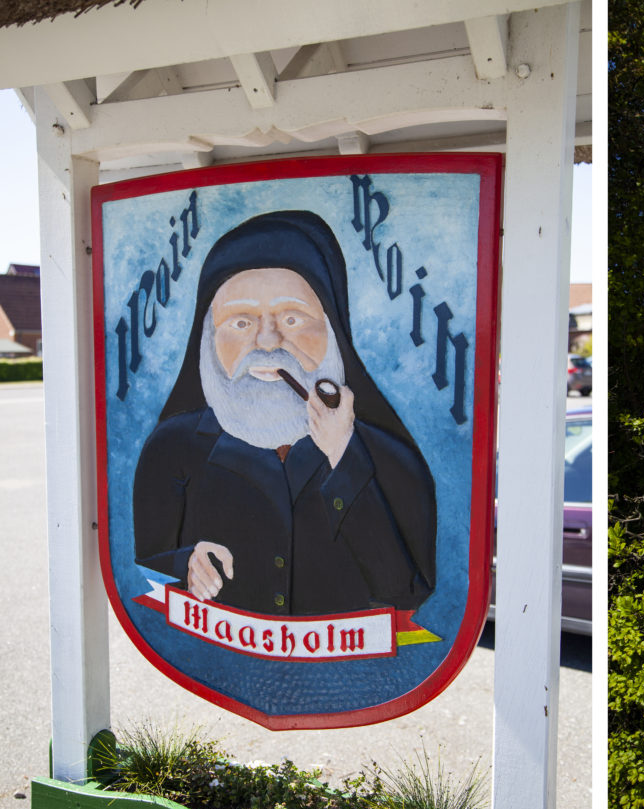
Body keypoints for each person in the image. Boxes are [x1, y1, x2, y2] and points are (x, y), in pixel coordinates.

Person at [133, 211, 436, 617]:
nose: (267, 341)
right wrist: (183, 562)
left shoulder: (389, 457)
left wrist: (343, 456)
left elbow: (406, 595)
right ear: (208, 337)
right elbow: (137, 572)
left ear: (332, 330)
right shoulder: (171, 450)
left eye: (292, 319)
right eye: (240, 322)